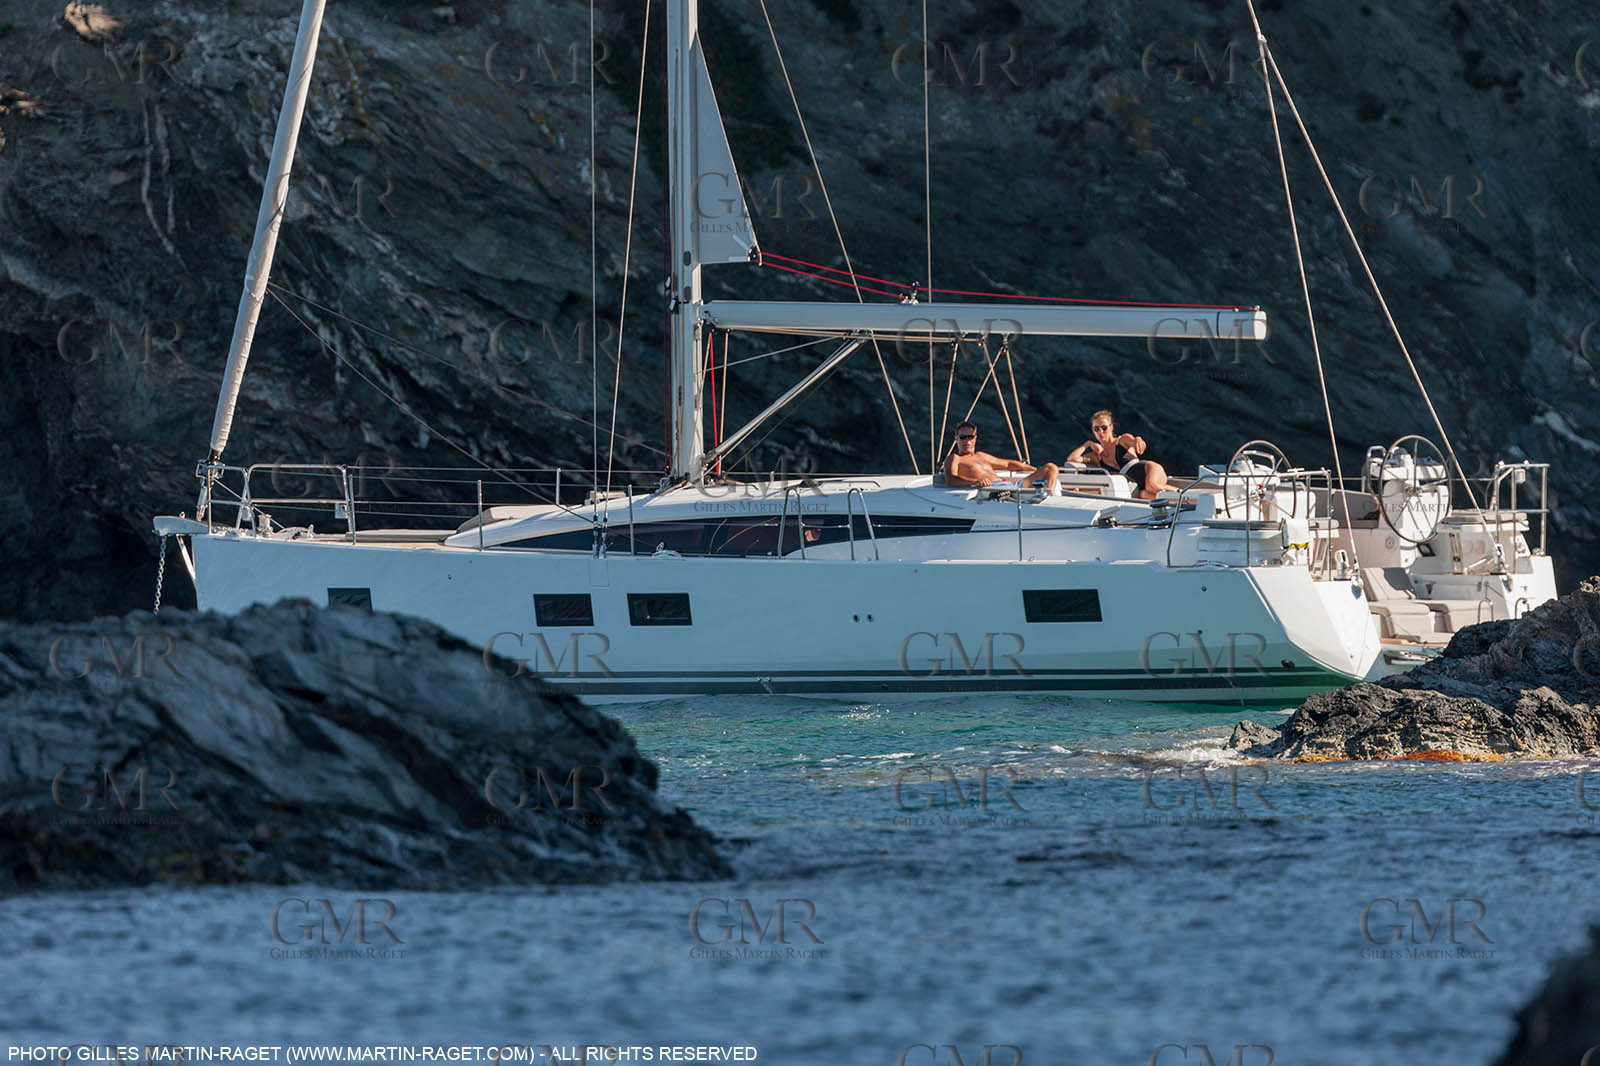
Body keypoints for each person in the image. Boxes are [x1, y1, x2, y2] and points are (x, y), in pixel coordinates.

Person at [1067, 409, 1171, 499]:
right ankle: (1185, 500)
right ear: (1093, 431)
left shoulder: (1122, 440)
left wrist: (1138, 440)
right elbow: (1072, 459)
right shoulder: (1096, 456)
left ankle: (1184, 493)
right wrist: (1088, 444)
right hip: (1138, 487)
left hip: (1149, 470)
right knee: (1144, 495)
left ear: (1111, 427)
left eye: (1104, 428)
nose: (1100, 432)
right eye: (1096, 429)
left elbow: (1134, 441)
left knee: (1151, 486)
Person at [942, 421, 1059, 494]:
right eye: (963, 437)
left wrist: (1033, 469)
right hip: (995, 493)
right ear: (956, 439)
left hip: (1011, 487)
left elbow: (1008, 464)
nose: (967, 441)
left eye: (970, 437)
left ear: (975, 438)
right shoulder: (955, 458)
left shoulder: (981, 456)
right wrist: (976, 482)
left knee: (1051, 467)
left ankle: (1050, 496)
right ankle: (1048, 498)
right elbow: (951, 479)